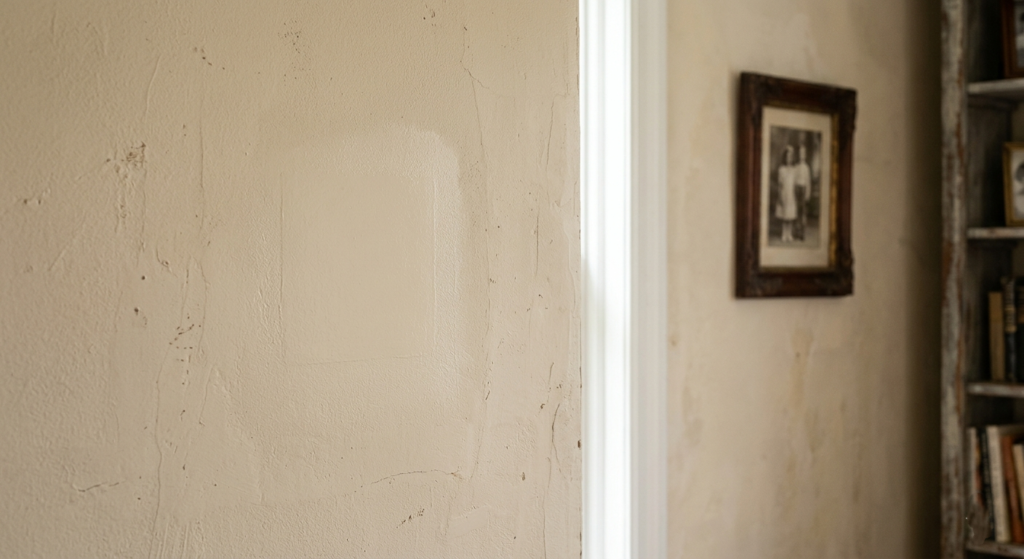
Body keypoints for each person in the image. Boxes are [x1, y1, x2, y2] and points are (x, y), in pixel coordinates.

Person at [775, 146, 798, 243]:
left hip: (791, 194)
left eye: (790, 157)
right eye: (787, 157)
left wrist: (796, 195)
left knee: (790, 216)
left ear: (792, 158)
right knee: (785, 216)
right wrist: (780, 196)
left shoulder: (794, 169)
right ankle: (784, 234)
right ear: (785, 158)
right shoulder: (781, 169)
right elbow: (780, 185)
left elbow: (795, 183)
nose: (789, 159)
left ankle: (790, 234)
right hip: (785, 193)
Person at [793, 145, 812, 241]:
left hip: (803, 189)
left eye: (803, 153)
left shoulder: (806, 167)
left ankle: (802, 234)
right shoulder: (796, 167)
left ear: (805, 155)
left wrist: (808, 193)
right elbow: (794, 180)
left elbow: (808, 181)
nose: (801, 155)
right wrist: (793, 191)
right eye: (800, 153)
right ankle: (797, 232)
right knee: (797, 211)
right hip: (797, 189)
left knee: (803, 212)